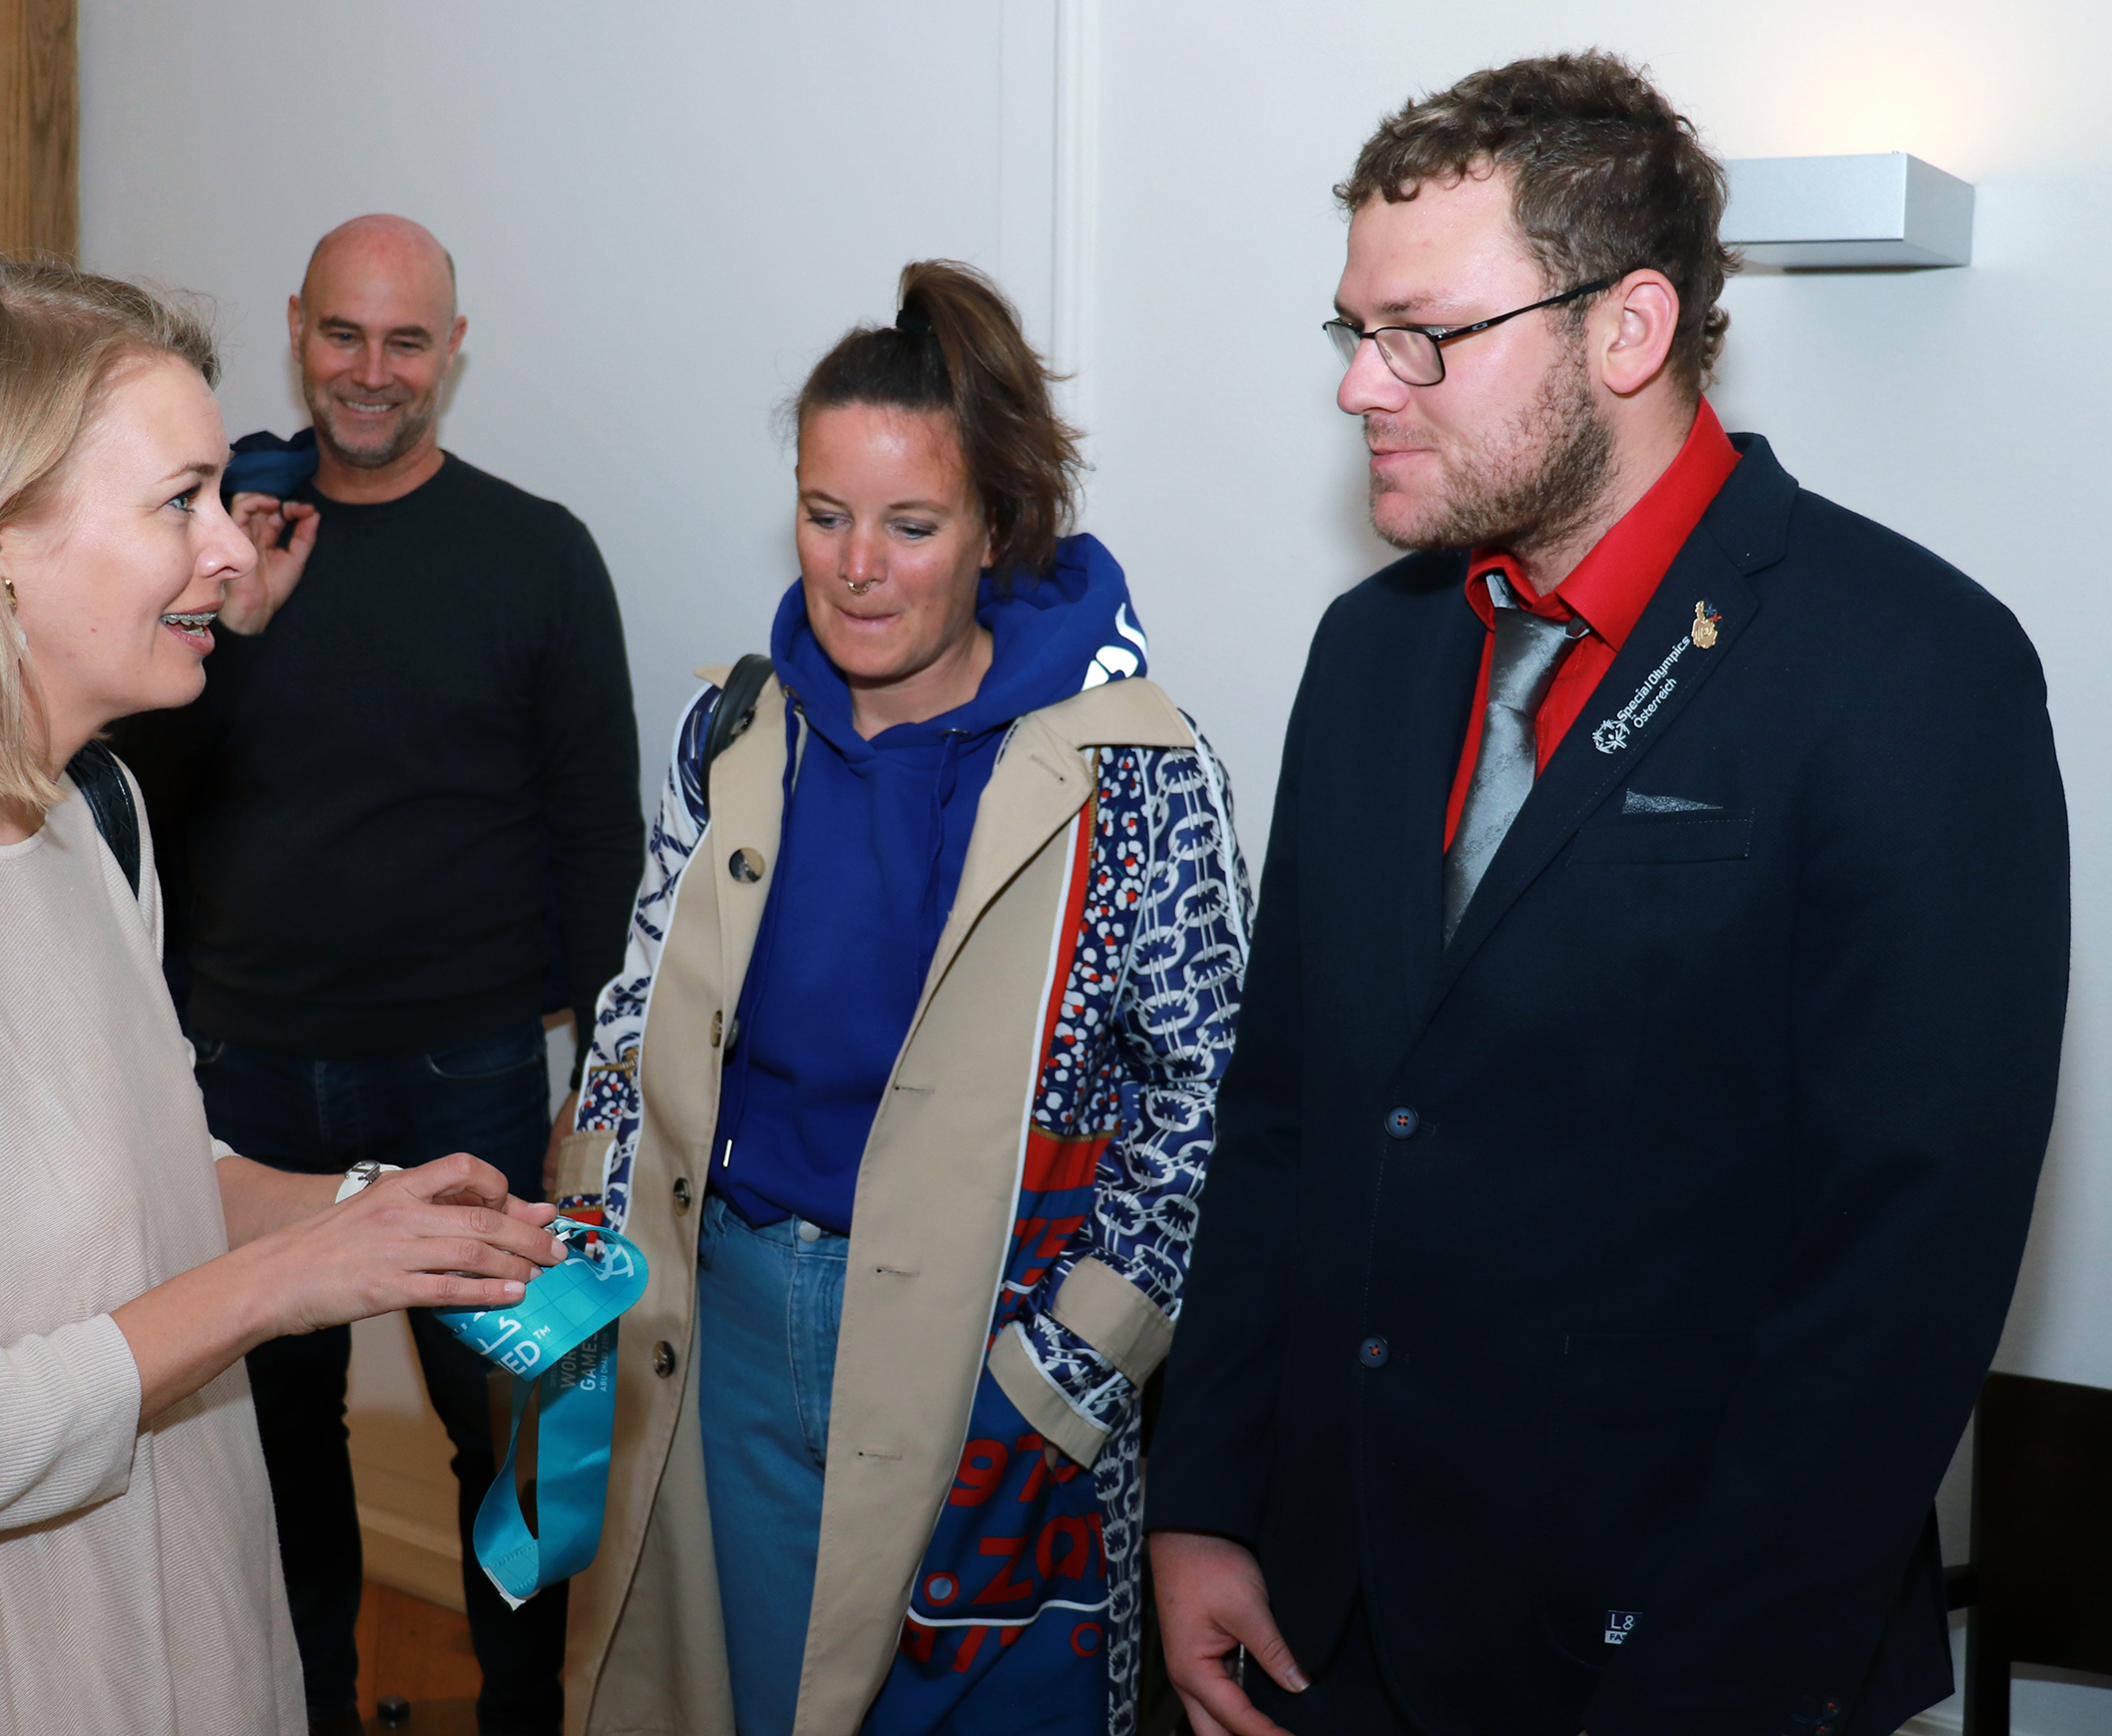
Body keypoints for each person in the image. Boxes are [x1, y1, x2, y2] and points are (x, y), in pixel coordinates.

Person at [1147, 52, 2069, 1736]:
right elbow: (1284, 1112)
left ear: (1626, 331)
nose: (1364, 385)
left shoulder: (1911, 668)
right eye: (1353, 330)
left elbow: (1902, 1270)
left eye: (1422, 334)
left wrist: (1703, 1687)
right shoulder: (1372, 655)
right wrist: (1206, 1492)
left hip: (1676, 1653)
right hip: (1328, 1629)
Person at [0, 252, 565, 1736]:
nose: (233, 555)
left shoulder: (91, 819)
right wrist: (282, 1287)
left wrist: (372, 1215)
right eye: (180, 502)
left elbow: (149, 1181)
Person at [554, 259, 1254, 1736]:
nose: (856, 565)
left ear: (995, 526)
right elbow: (631, 1017)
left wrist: (1061, 1379)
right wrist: (591, 1246)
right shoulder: (733, 730)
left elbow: (1200, 1113)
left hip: (992, 1358)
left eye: (911, 525)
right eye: (824, 513)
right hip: (728, 1338)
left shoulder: (1137, 773)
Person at [110, 215, 643, 1736]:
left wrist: (590, 1104)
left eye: (407, 342)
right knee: (274, 1450)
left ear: (452, 354)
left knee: (515, 1455)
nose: (370, 371)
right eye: (345, 335)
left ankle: (522, 1720)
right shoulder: (221, 551)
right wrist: (237, 622)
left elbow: (598, 842)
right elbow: (146, 792)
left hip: (463, 1076)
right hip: (244, 1082)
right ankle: (311, 1710)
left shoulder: (538, 555)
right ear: (299, 329)